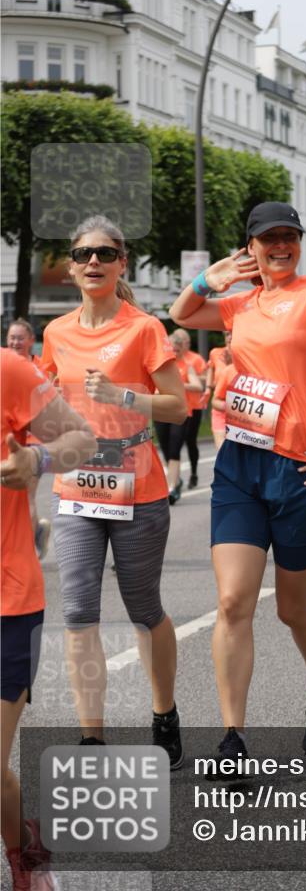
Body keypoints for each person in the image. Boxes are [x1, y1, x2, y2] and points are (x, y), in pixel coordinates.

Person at [169, 201, 306, 759]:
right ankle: (234, 736)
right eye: (269, 238)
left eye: (289, 237)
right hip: (241, 462)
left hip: (305, 469)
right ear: (251, 246)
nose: (280, 246)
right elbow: (183, 314)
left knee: (292, 609)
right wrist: (207, 278)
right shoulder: (241, 305)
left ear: (299, 243)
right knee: (234, 600)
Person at [39, 216, 188, 766]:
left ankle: (164, 713)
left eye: (105, 253)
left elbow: (177, 405)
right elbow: (44, 405)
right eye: (83, 255)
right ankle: (92, 737)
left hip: (138, 488)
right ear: (71, 267)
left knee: (144, 607)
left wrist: (127, 397)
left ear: (122, 263)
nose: (93, 263)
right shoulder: (55, 333)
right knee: (78, 611)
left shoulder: (144, 328)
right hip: (76, 488)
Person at [1, 348, 97, 890]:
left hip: (8, 603)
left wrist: (36, 461)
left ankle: (27, 863)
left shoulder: (8, 371)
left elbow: (82, 439)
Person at [6, 319, 50, 559]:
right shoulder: (4, 366)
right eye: (11, 337)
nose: (15, 342)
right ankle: (37, 532)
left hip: (34, 441)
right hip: (9, 442)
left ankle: (28, 554)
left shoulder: (41, 368)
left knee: (27, 495)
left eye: (20, 338)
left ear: (32, 341)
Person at [154, 330, 204, 504]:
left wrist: (179, 385)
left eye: (176, 350)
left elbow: (198, 386)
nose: (173, 353)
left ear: (182, 349)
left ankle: (172, 487)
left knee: (175, 449)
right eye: (171, 349)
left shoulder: (186, 365)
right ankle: (176, 479)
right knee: (166, 449)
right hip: (160, 411)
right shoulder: (158, 365)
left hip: (182, 412)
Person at [179, 330, 208, 489]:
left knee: (190, 440)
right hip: (179, 407)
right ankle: (176, 476)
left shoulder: (195, 359)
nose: (185, 344)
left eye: (187, 342)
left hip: (194, 405)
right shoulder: (173, 359)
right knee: (176, 442)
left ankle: (194, 473)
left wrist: (193, 377)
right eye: (182, 341)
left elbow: (205, 378)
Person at [208, 339, 234, 451]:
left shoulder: (250, 360)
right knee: (222, 452)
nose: (230, 337)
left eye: (232, 334)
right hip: (222, 407)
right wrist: (208, 387)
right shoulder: (216, 353)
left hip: (244, 416)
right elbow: (211, 368)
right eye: (227, 334)